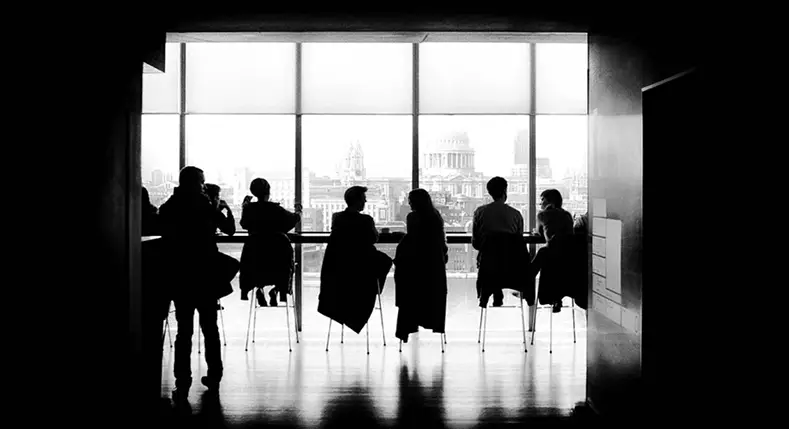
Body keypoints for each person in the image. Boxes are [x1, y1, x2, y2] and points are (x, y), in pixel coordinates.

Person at [158, 166, 231, 399]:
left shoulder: (170, 206)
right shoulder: (205, 205)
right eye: (202, 181)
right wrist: (223, 208)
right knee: (210, 328)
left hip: (181, 275)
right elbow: (229, 230)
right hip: (206, 274)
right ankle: (215, 375)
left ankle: (182, 381)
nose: (203, 184)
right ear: (197, 183)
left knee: (184, 331)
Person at [318, 186, 393, 334]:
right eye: (364, 198)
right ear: (358, 201)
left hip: (341, 271)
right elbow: (373, 238)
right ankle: (375, 291)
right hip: (360, 271)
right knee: (385, 261)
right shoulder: (366, 220)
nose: (365, 201)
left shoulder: (337, 217)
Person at [394, 188, 448, 342]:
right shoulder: (436, 216)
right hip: (434, 266)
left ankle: (405, 330)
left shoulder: (413, 217)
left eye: (411, 201)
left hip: (416, 266)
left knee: (409, 295)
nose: (409, 204)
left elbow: (414, 240)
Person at [239, 178, 301, 307]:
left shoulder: (250, 209)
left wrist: (244, 207)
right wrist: (298, 210)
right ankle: (277, 290)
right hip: (278, 256)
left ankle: (259, 288)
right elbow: (293, 220)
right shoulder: (276, 209)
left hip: (256, 256)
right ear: (269, 192)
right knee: (283, 264)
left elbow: (244, 224)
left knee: (260, 264)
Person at [472, 176, 525, 307]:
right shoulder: (516, 214)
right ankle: (497, 291)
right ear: (505, 191)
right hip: (512, 267)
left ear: (489, 192)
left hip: (488, 266)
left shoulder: (480, 212)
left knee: (492, 260)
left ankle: (494, 292)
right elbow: (518, 243)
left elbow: (476, 243)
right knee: (501, 259)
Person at [531, 189, 575, 312]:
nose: (540, 204)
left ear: (550, 201)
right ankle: (557, 297)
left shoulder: (542, 215)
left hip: (551, 253)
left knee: (543, 254)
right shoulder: (567, 215)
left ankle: (526, 287)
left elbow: (541, 233)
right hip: (568, 256)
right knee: (552, 260)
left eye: (542, 200)